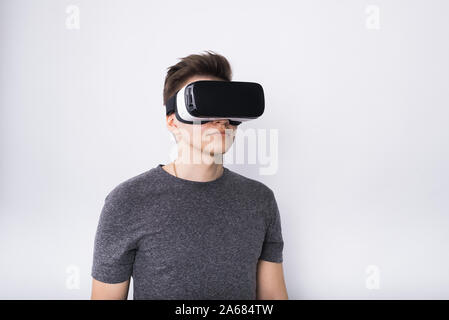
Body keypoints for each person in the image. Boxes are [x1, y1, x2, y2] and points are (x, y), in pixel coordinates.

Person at [91, 50, 288, 300]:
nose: (221, 120)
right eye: (206, 107)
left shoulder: (260, 200)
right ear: (173, 122)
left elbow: (273, 297)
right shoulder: (127, 201)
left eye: (226, 106)